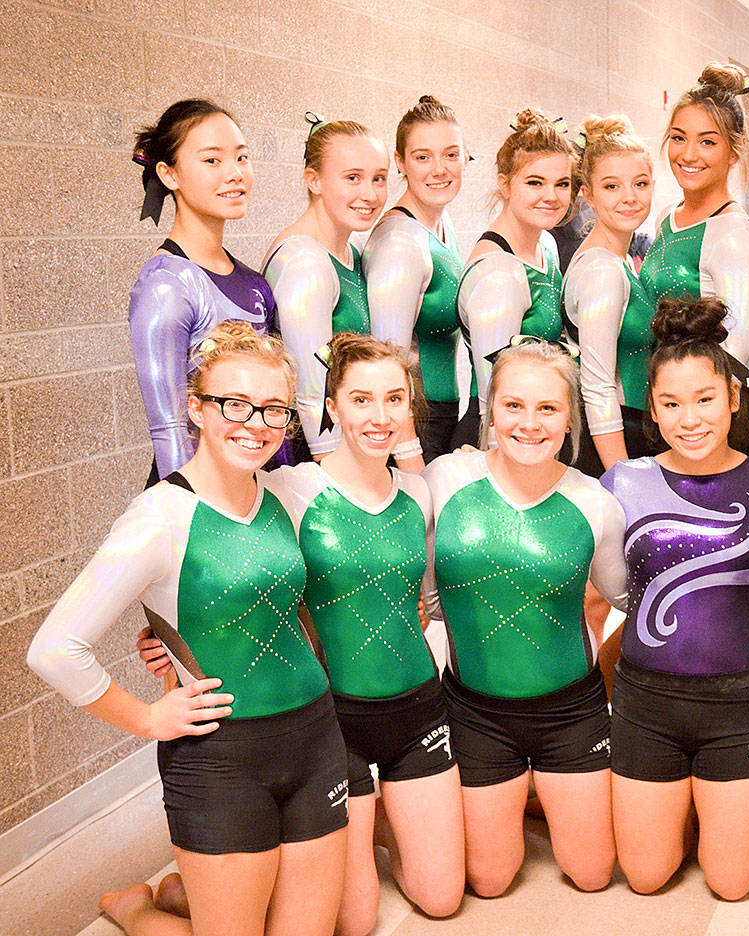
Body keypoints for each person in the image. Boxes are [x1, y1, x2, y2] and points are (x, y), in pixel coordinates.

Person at [136, 334, 466, 932]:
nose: (381, 415)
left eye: (396, 398)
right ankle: (180, 895)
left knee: (443, 898)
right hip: (330, 720)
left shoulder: (419, 491)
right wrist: (172, 637)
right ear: (331, 408)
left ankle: (386, 822)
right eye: (361, 399)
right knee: (355, 922)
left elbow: (415, 600)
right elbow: (222, 562)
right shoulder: (291, 489)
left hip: (417, 706)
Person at [28, 322, 347, 936]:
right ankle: (136, 907)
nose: (254, 423)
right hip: (219, 758)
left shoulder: (286, 490)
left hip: (315, 739)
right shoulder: (159, 518)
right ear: (195, 408)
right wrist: (147, 719)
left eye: (273, 410)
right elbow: (55, 649)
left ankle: (184, 894)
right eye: (234, 404)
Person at [602, 297, 749, 901]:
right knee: (646, 877)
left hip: (738, 703)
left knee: (734, 884)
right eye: (671, 403)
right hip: (646, 703)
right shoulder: (623, 482)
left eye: (705, 399)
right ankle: (682, 806)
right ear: (652, 410)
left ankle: (714, 811)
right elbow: (614, 594)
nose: (690, 418)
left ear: (734, 398)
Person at [424, 338, 627, 897]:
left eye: (547, 409)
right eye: (514, 406)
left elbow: (635, 600)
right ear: (489, 410)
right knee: (489, 881)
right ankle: (514, 798)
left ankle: (546, 795)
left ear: (570, 419)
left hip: (572, 713)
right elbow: (413, 586)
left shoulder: (595, 502)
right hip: (475, 712)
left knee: (591, 875)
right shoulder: (444, 481)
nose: (529, 424)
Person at [128, 99, 277, 485]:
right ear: (169, 174)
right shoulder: (166, 284)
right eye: (212, 161)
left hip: (253, 484)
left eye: (241, 158)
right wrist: (192, 512)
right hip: (194, 489)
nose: (234, 173)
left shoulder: (255, 283)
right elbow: (169, 426)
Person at [640, 62, 749, 445]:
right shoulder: (666, 217)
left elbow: (734, 358)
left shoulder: (732, 234)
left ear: (734, 151)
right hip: (666, 407)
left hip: (705, 426)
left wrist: (693, 423)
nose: (689, 153)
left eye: (708, 142)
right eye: (679, 137)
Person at [264, 115, 389, 460]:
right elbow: (311, 394)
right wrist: (335, 482)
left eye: (379, 179)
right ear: (313, 180)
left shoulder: (351, 252)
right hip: (319, 454)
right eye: (353, 178)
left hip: (356, 444)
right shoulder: (305, 263)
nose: (370, 194)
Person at [455, 109, 575, 446]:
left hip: (534, 436)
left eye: (562, 184)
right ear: (505, 185)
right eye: (535, 182)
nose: (551, 196)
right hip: (499, 442)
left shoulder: (546, 243)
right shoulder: (498, 276)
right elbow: (494, 407)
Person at [365, 94, 469, 469]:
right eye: (423, 157)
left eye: (451, 154)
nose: (439, 169)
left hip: (441, 417)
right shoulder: (399, 243)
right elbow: (387, 367)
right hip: (411, 427)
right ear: (400, 163)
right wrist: (410, 459)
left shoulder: (442, 224)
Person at [562, 114, 659, 474]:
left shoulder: (616, 261)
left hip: (632, 429)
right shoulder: (602, 270)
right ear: (587, 193)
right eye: (612, 186)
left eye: (641, 183)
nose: (630, 198)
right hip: (613, 438)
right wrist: (622, 477)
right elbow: (598, 385)